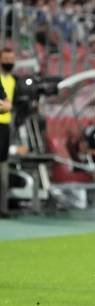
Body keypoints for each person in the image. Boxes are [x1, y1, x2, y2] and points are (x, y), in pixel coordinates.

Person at [0, 49, 14, 218]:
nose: (9, 61)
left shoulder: (13, 80)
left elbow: (8, 105)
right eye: (6, 59)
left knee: (3, 169)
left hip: (4, 127)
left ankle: (3, 209)